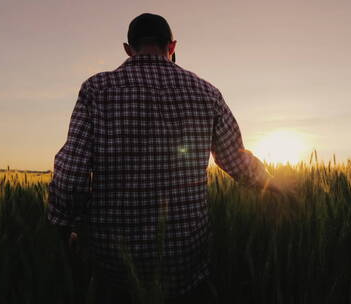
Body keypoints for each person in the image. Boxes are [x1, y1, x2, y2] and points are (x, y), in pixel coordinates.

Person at [47, 13, 286, 303]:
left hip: (115, 266)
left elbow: (71, 176)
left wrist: (63, 230)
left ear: (127, 48)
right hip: (186, 264)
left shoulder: (97, 90)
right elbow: (235, 160)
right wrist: (275, 187)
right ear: (171, 46)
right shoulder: (206, 92)